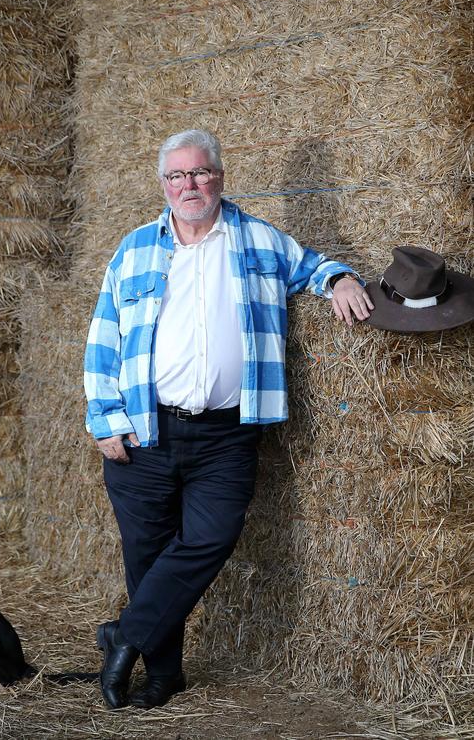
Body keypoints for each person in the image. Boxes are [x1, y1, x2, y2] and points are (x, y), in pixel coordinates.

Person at [83, 129, 373, 710]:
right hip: (144, 429)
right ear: (163, 184)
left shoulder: (258, 239)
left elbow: (313, 266)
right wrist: (104, 418)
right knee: (146, 557)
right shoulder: (135, 248)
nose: (189, 185)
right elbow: (103, 337)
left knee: (213, 536)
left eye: (200, 173)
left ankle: (126, 635)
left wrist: (341, 278)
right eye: (177, 176)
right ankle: (164, 676)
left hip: (225, 433)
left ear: (220, 176)